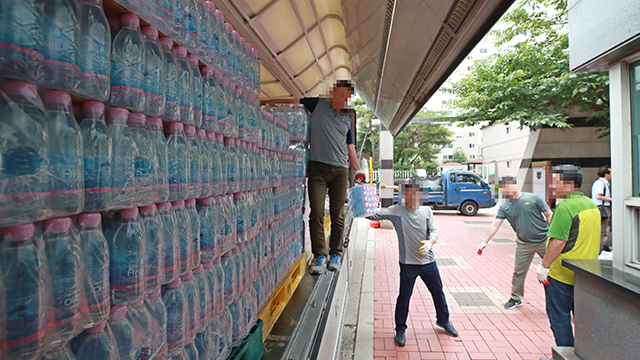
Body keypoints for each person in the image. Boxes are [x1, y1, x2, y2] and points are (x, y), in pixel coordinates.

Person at [367, 181, 458, 347]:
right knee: (404, 297)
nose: (412, 198)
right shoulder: (396, 211)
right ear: (403, 196)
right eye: (408, 195)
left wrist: (430, 242)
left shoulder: (426, 210)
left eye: (415, 194)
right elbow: (372, 216)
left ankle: (443, 320)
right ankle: (400, 328)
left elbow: (434, 231)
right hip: (408, 264)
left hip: (428, 261)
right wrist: (364, 200)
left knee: (438, 291)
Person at [301, 80, 365, 274]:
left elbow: (350, 148)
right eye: (340, 95)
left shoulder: (347, 119)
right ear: (332, 93)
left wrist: (358, 168)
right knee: (317, 212)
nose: (343, 100)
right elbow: (293, 102)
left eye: (346, 97)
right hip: (317, 170)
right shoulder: (317, 104)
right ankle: (320, 255)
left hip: (340, 171)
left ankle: (335, 253)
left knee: (338, 214)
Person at [537, 165, 600, 359]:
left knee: (559, 318)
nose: (552, 185)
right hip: (585, 273)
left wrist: (544, 266)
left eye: (556, 181)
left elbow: (558, 241)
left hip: (561, 274)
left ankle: (565, 355)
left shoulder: (565, 207)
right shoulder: (591, 205)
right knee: (582, 319)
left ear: (570, 184)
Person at [477, 176, 553, 309]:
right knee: (519, 271)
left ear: (515, 185)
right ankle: (516, 298)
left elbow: (548, 214)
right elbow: (496, 224)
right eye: (504, 188)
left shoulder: (533, 198)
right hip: (524, 243)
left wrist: (553, 233)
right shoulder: (505, 206)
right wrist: (485, 241)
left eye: (509, 186)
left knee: (555, 268)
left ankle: (560, 298)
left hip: (544, 240)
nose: (508, 190)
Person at [591, 165, 612, 252]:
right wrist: (611, 199)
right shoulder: (600, 183)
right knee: (603, 231)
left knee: (608, 228)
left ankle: (605, 245)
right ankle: (601, 249)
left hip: (603, 208)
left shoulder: (603, 183)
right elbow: (598, 196)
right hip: (602, 208)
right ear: (606, 174)